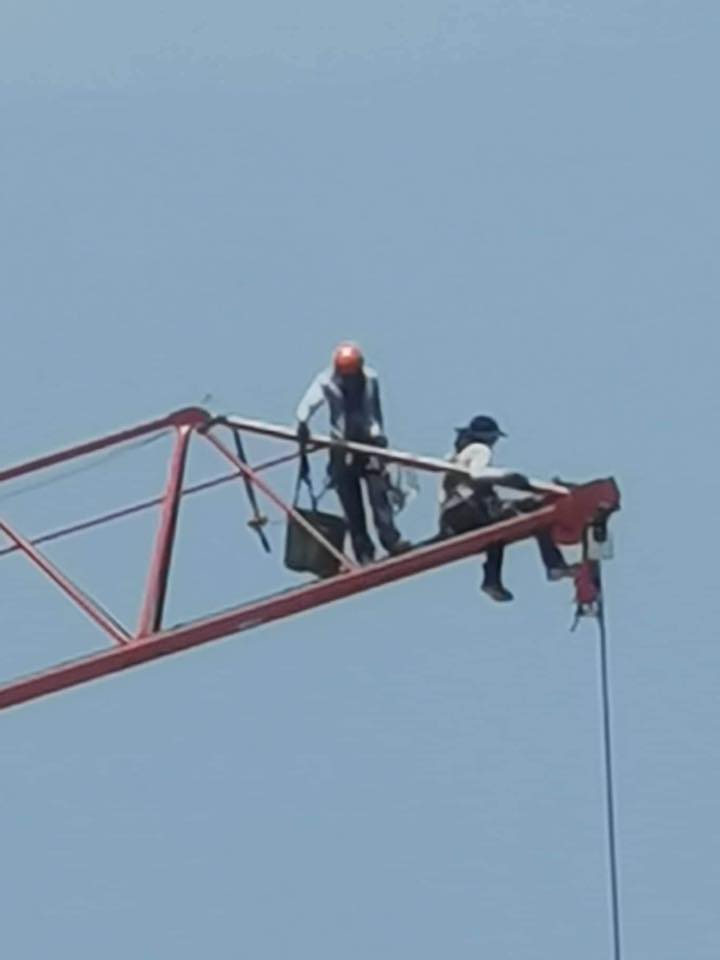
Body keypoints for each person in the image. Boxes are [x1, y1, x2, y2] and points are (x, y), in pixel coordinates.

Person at [296, 342, 410, 564]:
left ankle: (391, 541)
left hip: (369, 444)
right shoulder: (326, 381)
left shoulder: (370, 379)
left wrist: (378, 437)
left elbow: (373, 411)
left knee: (380, 498)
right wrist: (302, 422)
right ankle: (364, 553)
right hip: (342, 448)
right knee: (352, 504)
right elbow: (308, 403)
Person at [439, 415, 574, 602]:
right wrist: (510, 478)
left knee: (496, 534)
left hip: (452, 517)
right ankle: (554, 565)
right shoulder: (479, 449)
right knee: (536, 518)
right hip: (468, 509)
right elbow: (478, 475)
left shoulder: (456, 457)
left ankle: (491, 581)